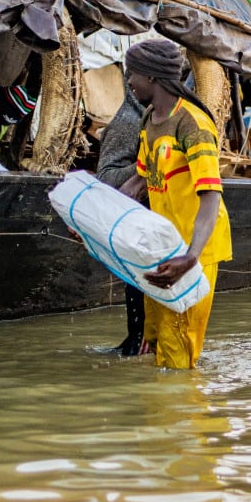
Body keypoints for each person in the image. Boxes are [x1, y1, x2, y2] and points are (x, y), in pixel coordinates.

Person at [123, 39, 233, 367]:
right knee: (154, 341)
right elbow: (141, 180)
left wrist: (191, 258)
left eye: (132, 74)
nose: (129, 81)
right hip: (165, 246)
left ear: (153, 77)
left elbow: (211, 196)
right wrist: (93, 219)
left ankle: (185, 413)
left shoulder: (193, 124)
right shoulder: (149, 119)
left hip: (194, 249)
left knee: (178, 356)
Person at [95, 81, 150, 357]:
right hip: (136, 227)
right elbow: (105, 177)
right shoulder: (130, 119)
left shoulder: (166, 117)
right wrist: (147, 165)